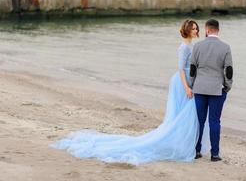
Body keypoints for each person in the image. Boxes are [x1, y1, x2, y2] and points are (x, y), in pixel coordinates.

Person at [51, 19, 210, 165]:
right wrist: (187, 87)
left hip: (191, 81)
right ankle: (185, 145)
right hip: (183, 83)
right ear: (187, 31)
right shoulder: (183, 48)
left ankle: (187, 144)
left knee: (188, 115)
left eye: (197, 28)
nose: (197, 31)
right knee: (183, 115)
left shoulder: (193, 46)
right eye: (194, 29)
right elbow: (181, 69)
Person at [190, 19, 233, 162]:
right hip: (217, 89)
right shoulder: (225, 47)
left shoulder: (197, 46)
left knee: (199, 121)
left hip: (200, 88)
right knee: (214, 121)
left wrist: (192, 85)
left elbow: (192, 69)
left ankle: (196, 151)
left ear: (207, 30)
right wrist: (228, 86)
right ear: (218, 30)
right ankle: (215, 154)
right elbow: (228, 70)